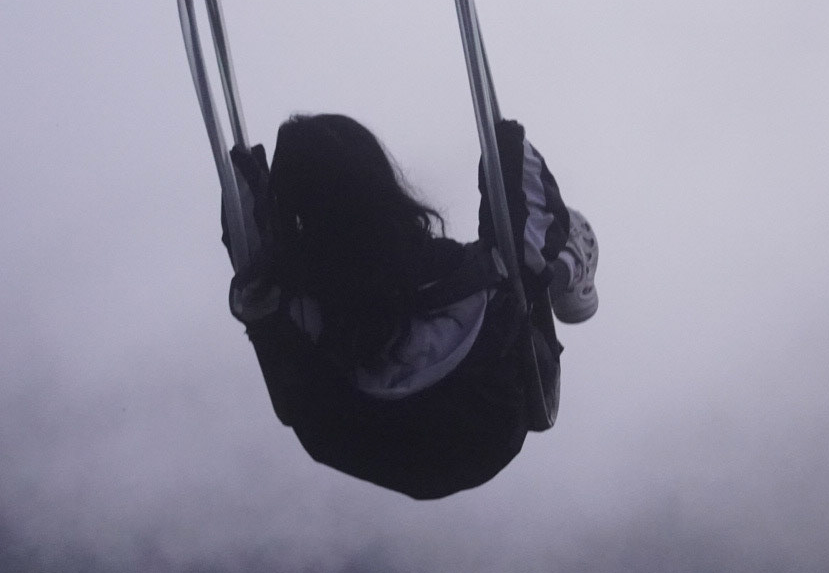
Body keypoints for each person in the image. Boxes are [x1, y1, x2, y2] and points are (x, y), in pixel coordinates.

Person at [222, 114, 598, 499]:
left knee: (268, 308)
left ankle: (551, 271)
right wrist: (507, 147)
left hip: (363, 446)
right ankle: (569, 267)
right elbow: (529, 218)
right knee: (520, 269)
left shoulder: (286, 293)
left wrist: (246, 179)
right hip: (486, 431)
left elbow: (247, 235)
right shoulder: (458, 271)